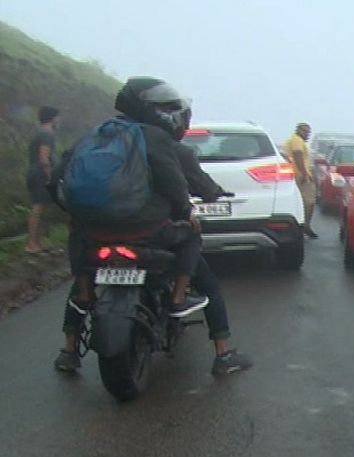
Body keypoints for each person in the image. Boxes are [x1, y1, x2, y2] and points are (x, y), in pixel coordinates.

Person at [53, 79, 251, 375]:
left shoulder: (96, 135)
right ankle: (210, 337)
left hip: (95, 232)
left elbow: (57, 180)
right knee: (198, 252)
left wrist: (77, 214)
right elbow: (175, 185)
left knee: (81, 267)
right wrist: (189, 211)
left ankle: (69, 350)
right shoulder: (158, 140)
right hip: (147, 232)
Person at [25, 106, 61, 254]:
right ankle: (32, 244)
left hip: (35, 172)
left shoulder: (40, 132)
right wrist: (49, 176)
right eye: (58, 117)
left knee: (42, 208)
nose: (60, 120)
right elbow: (44, 158)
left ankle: (39, 242)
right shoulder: (47, 133)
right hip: (41, 174)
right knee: (38, 209)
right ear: (53, 118)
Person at [285, 123, 318, 238]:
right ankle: (304, 226)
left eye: (308, 132)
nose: (307, 134)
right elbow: (297, 155)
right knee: (309, 202)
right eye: (304, 131)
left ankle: (303, 226)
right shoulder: (297, 141)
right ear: (298, 130)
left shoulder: (297, 141)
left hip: (296, 174)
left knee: (303, 202)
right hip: (299, 175)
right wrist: (304, 174)